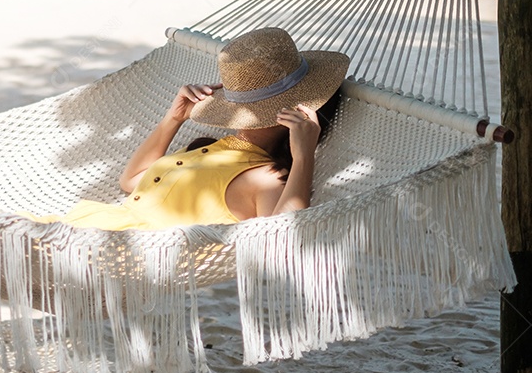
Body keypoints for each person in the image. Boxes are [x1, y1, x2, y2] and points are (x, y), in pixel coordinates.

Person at [25, 27, 349, 230]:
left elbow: (281, 237)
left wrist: (304, 153)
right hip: (80, 227)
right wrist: (173, 119)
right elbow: (131, 182)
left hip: (110, 247)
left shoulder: (267, 176)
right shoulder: (211, 148)